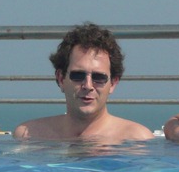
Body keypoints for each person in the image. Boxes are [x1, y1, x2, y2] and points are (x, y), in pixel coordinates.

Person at [12, 23, 154, 142]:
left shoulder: (138, 140)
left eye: (99, 77)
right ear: (61, 79)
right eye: (78, 75)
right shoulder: (28, 136)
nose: (88, 85)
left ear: (113, 83)